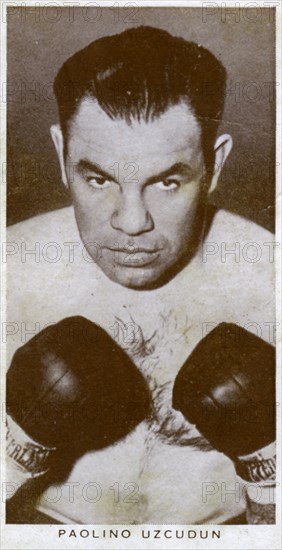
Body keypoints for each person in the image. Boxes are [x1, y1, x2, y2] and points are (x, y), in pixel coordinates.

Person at [5, 26, 275, 525]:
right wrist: (11, 455)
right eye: (99, 178)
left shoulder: (270, 282)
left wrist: (270, 474)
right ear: (61, 155)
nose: (131, 223)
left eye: (168, 182)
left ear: (214, 166)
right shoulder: (9, 275)